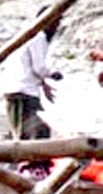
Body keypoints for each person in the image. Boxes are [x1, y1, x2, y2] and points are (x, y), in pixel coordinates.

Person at [6, 9, 62, 141]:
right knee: (35, 132)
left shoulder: (27, 35)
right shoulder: (39, 37)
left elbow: (28, 66)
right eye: (56, 22)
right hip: (23, 91)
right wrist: (53, 74)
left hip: (16, 89)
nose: (57, 26)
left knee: (25, 131)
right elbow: (39, 68)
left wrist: (44, 84)